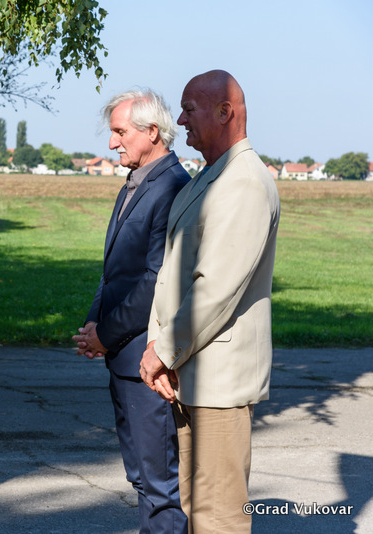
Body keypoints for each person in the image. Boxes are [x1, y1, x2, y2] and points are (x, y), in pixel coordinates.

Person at [139, 70, 280, 533]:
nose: (180, 120)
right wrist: (161, 347)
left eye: (189, 109)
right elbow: (173, 274)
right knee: (197, 509)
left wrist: (162, 352)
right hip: (193, 374)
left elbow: (214, 289)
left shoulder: (244, 182)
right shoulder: (214, 176)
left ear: (225, 112)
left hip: (219, 383)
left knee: (218, 518)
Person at [72, 90, 190, 534]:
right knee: (141, 477)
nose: (112, 143)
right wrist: (94, 322)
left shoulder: (171, 187)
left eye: (120, 132)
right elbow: (114, 272)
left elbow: (155, 281)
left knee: (159, 487)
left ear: (152, 132)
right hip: (123, 356)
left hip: (147, 361)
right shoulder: (136, 182)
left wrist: (105, 334)